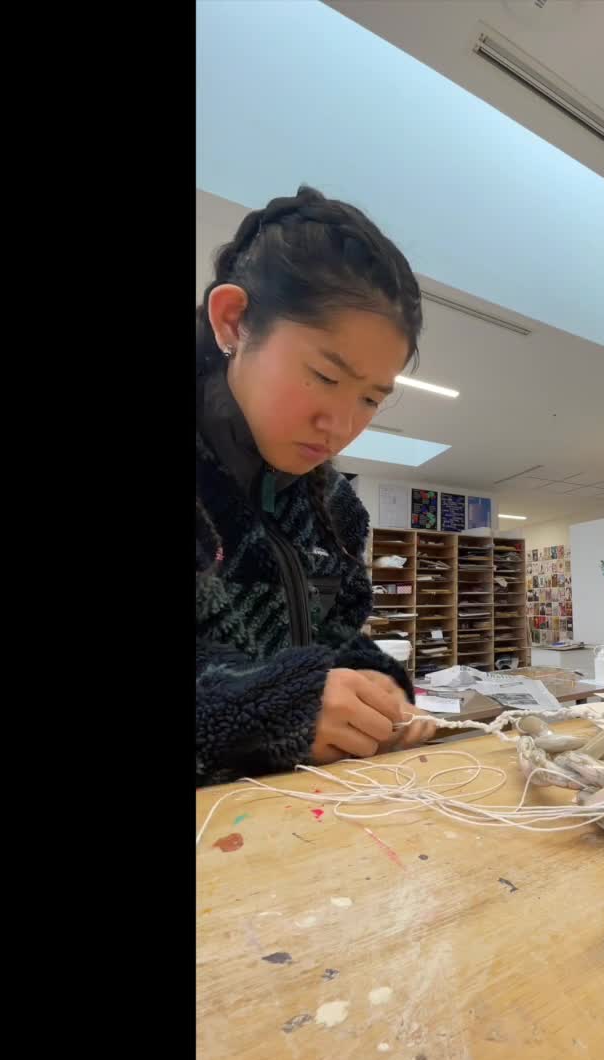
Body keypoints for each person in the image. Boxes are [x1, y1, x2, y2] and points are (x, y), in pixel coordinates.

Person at [195, 186, 438, 786]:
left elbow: (332, 641)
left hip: (288, 823)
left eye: (370, 399)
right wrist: (278, 709)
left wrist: (376, 686)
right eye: (325, 376)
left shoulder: (335, 508)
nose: (342, 426)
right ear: (233, 321)